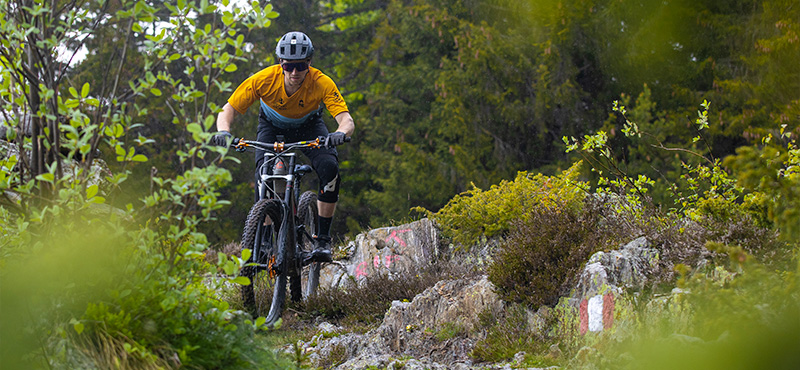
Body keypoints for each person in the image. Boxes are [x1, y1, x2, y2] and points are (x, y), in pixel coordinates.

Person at [212, 31, 355, 263]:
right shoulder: (263, 79)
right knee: (264, 176)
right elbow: (228, 110)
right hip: (271, 126)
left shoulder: (321, 82)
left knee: (329, 169)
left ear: (309, 63)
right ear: (281, 63)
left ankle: (322, 240)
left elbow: (346, 120)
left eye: (300, 66)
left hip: (309, 127)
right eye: (289, 67)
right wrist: (224, 132)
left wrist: (339, 134)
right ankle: (266, 241)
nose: (295, 72)